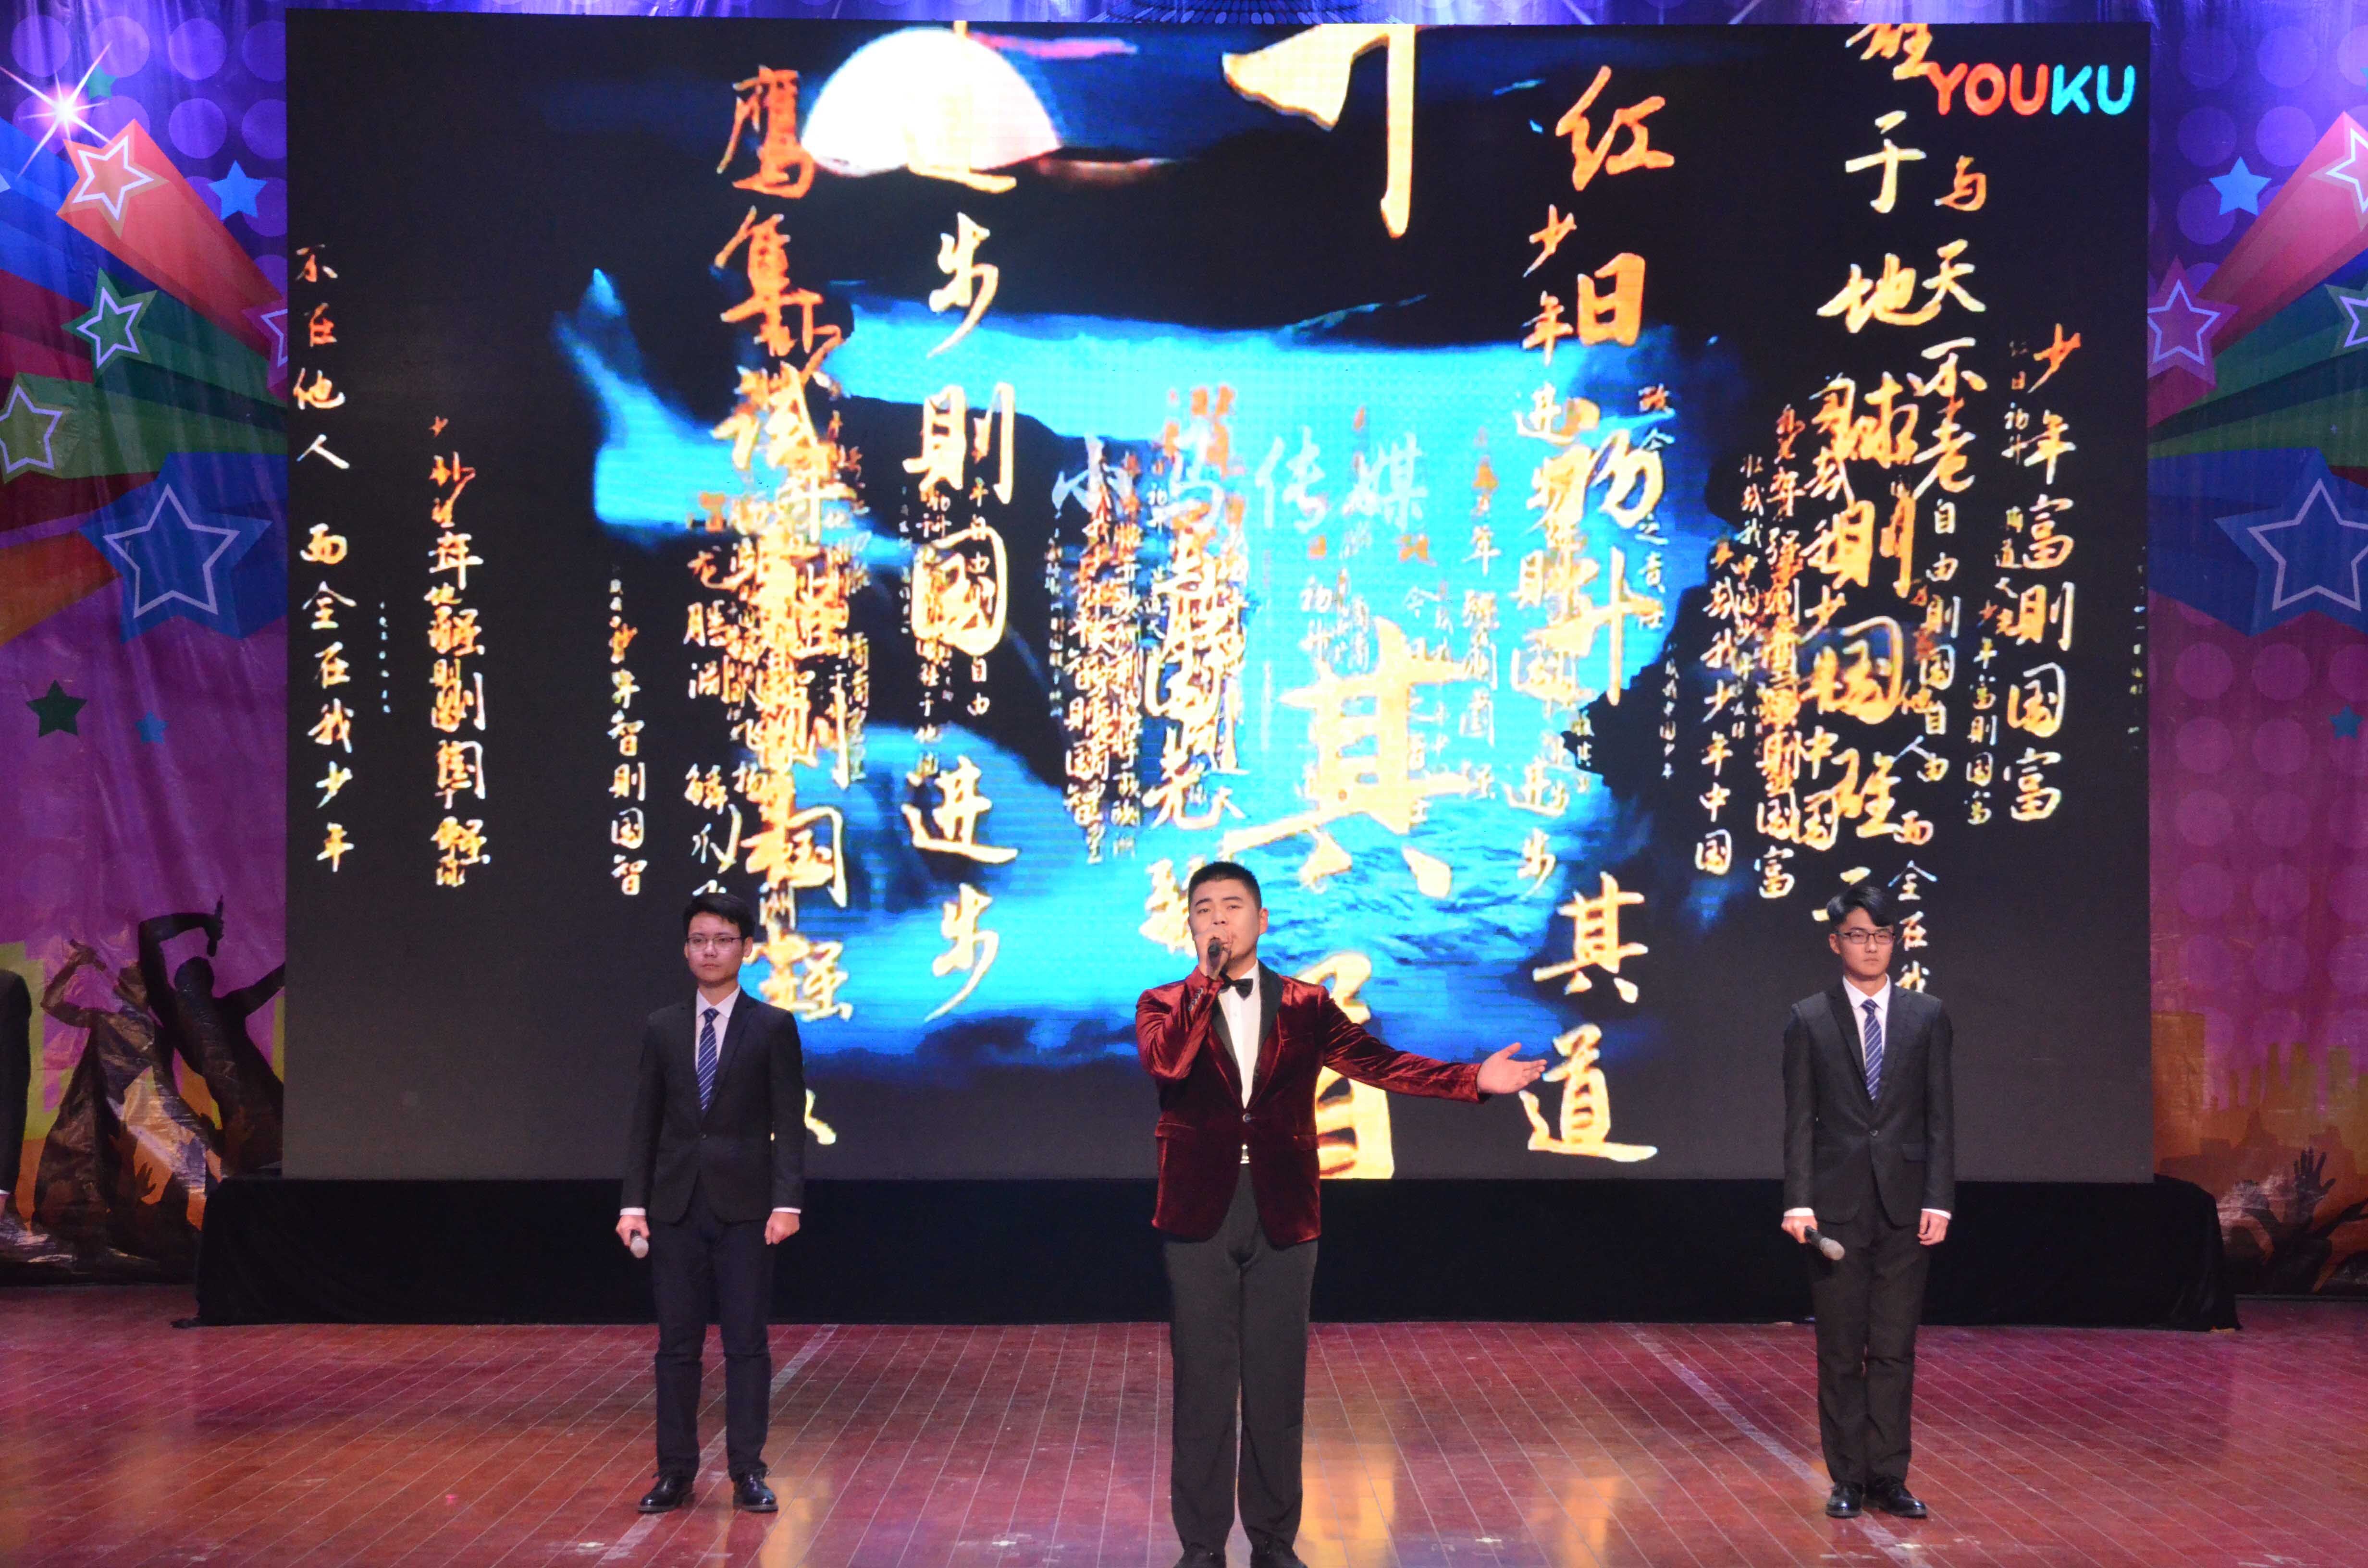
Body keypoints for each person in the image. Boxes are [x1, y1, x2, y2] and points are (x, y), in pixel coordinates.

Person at [1135, 861, 1544, 1568]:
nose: (1218, 918)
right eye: (1204, 909)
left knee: (1276, 1383)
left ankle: (1273, 1542)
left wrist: (1472, 1078)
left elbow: (1381, 1064)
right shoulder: (1162, 1003)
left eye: (1233, 906)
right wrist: (1204, 985)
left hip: (1284, 1210)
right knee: (1203, 1386)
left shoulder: (1306, 1005)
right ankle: (1201, 1549)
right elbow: (1168, 1064)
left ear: (1262, 921)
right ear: (1191, 924)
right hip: (1198, 1213)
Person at [617, 892, 806, 1515]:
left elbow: (788, 1122)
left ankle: (747, 1471)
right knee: (676, 1347)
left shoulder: (773, 1026)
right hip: (674, 1207)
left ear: (745, 949)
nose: (709, 951)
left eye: (722, 940)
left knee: (746, 1344)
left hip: (748, 1209)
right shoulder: (663, 1026)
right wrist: (633, 1204)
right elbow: (644, 1123)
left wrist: (787, 1203)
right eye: (699, 940)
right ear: (685, 950)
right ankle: (675, 1472)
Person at [1781, 881, 1954, 1521]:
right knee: (1839, 1348)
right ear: (1836, 943)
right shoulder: (1809, 1019)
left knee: (1893, 1347)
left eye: (1881, 935)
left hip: (1907, 1206)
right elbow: (1799, 1121)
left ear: (1895, 941)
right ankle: (1847, 1478)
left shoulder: (1926, 1015)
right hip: (1834, 1209)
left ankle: (1889, 1476)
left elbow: (1940, 1117)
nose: (1872, 947)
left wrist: (1940, 1199)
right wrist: (1798, 1201)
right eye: (1858, 935)